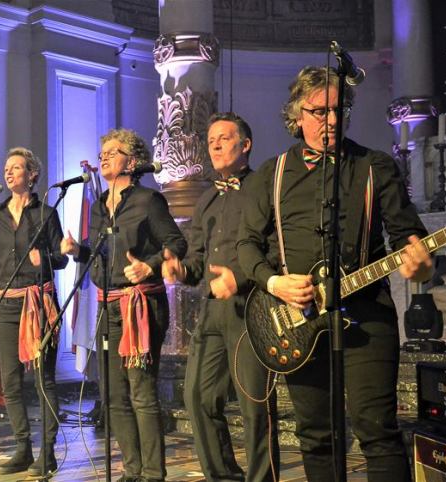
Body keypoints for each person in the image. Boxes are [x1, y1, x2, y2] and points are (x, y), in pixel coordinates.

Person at [237, 66, 432, 482]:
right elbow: (246, 246)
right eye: (319, 111)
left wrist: (418, 259)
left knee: (378, 431)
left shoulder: (375, 166)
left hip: (367, 314)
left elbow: (406, 234)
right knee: (315, 436)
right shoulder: (271, 174)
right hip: (297, 321)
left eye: (338, 110)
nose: (330, 120)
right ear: (297, 114)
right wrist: (275, 282)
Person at [61, 128, 187, 482]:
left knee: (142, 393)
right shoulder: (99, 205)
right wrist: (78, 251)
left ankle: (153, 474)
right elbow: (100, 253)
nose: (103, 157)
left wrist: (150, 264)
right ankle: (132, 471)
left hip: (141, 305)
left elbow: (177, 244)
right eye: (102, 152)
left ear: (132, 162)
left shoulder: (149, 200)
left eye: (112, 152)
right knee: (114, 396)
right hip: (108, 307)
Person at [163, 113, 279, 481]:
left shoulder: (263, 187)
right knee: (198, 397)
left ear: (245, 145)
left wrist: (241, 278)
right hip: (212, 310)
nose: (214, 144)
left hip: (252, 307)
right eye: (211, 139)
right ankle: (223, 476)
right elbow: (197, 260)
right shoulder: (207, 198)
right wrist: (181, 270)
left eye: (224, 138)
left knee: (255, 406)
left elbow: (277, 248)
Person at [0, 147, 68, 476]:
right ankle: (22, 448)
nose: (8, 172)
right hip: (7, 303)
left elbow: (61, 259)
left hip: (38, 303)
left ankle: (47, 453)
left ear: (32, 175)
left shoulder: (46, 213)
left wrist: (44, 258)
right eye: (6, 168)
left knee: (43, 380)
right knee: (9, 380)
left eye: (16, 168)